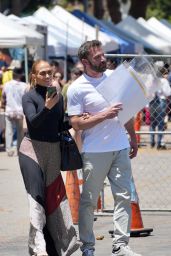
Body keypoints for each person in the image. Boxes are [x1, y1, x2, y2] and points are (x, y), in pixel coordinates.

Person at [67, 40, 140, 256]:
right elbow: (76, 123)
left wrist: (133, 138)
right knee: (89, 201)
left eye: (102, 55)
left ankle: (120, 245)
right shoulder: (77, 88)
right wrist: (103, 115)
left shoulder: (114, 80)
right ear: (84, 61)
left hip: (119, 146)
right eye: (97, 57)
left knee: (124, 196)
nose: (102, 59)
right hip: (94, 151)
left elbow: (124, 112)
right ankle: (88, 247)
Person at [18, 60, 79, 256]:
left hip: (53, 151)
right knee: (37, 198)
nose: (47, 76)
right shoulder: (29, 97)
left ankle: (58, 246)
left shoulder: (58, 96)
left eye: (49, 73)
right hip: (31, 151)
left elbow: (58, 126)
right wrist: (46, 107)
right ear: (34, 76)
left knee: (54, 199)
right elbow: (33, 124)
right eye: (42, 73)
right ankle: (38, 247)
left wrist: (76, 120)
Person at [1, 67, 27, 156]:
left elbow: (3, 98)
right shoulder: (24, 86)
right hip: (20, 112)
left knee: (9, 130)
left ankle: (9, 150)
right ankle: (18, 150)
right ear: (20, 75)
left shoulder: (6, 85)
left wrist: (4, 104)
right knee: (20, 132)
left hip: (9, 111)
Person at [149, 67, 171, 149]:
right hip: (161, 102)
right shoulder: (164, 81)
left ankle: (151, 142)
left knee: (152, 123)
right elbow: (168, 92)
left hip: (152, 102)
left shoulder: (152, 81)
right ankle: (159, 143)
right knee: (160, 123)